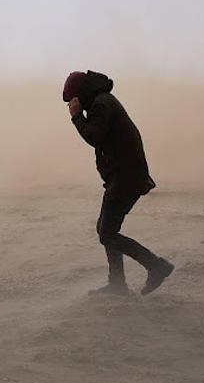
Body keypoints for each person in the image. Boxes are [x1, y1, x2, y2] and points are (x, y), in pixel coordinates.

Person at [63, 70, 174, 295]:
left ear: (81, 94)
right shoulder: (101, 101)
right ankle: (117, 283)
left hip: (127, 177)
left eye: (73, 100)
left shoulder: (101, 104)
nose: (73, 104)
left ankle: (155, 265)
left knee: (107, 233)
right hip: (122, 176)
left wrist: (77, 117)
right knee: (105, 229)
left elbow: (94, 137)